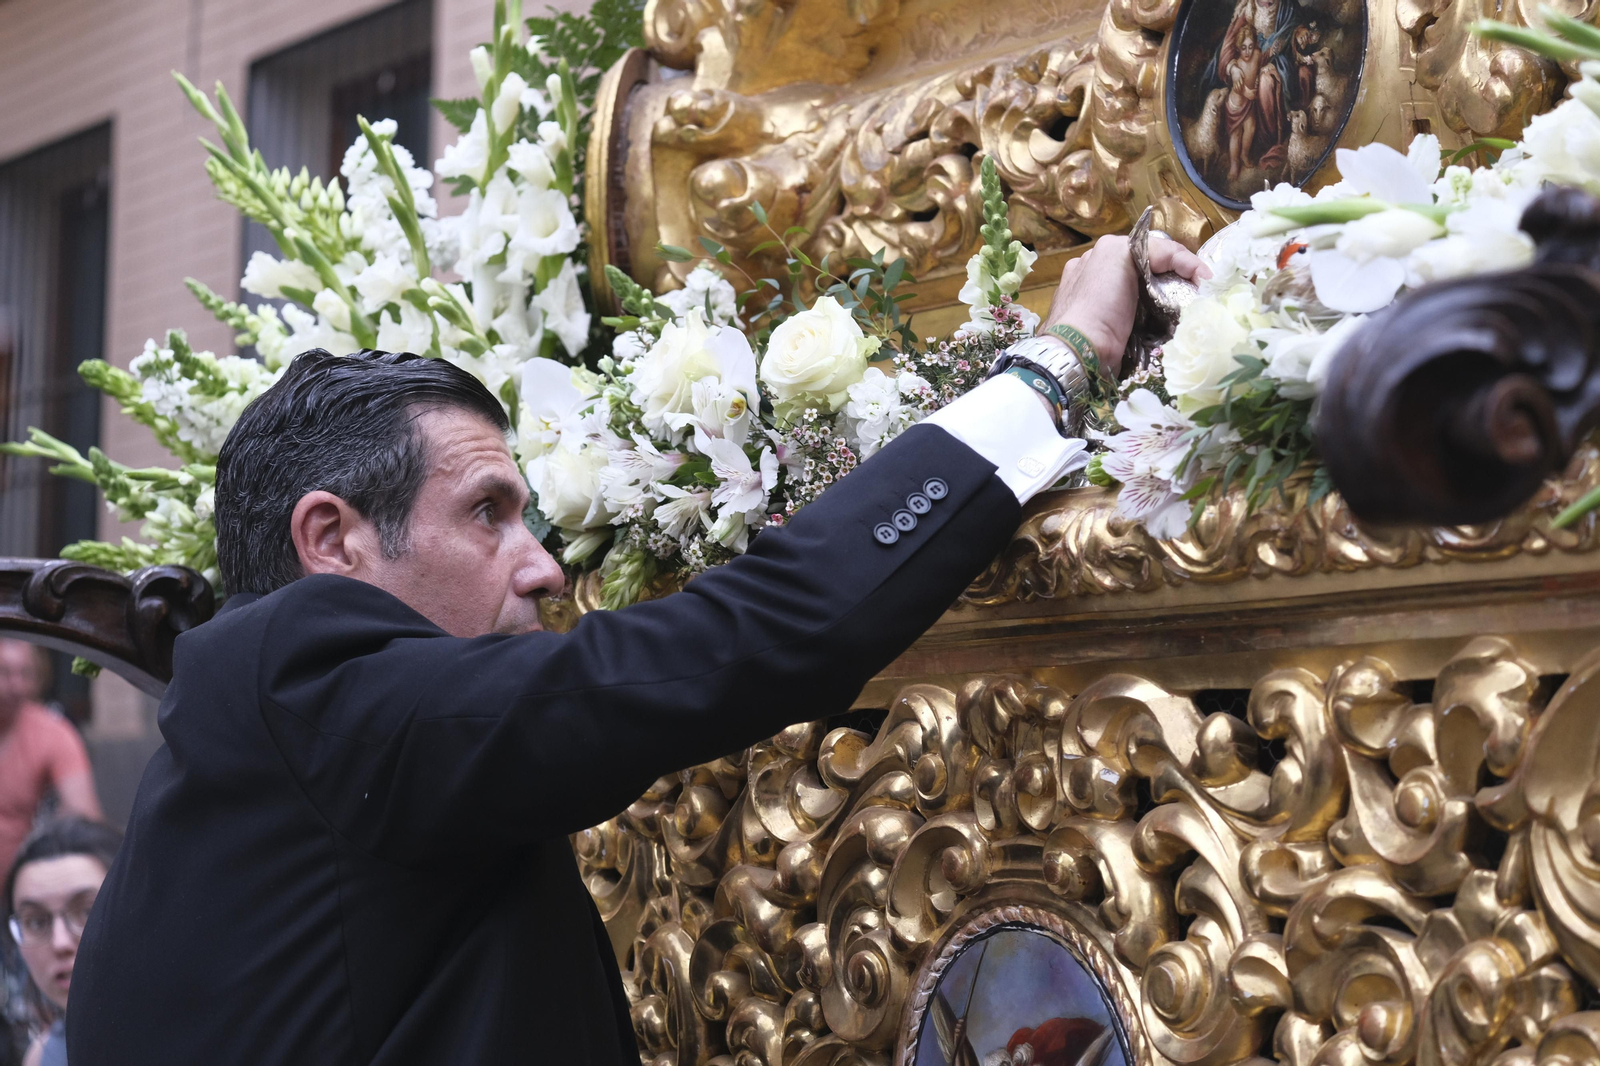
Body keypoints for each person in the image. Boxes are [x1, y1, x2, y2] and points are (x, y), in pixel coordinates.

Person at [68, 235, 1206, 1065]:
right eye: (486, 512)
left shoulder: (231, 771)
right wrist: (1056, 367)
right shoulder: (307, 682)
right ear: (334, 540)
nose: (544, 566)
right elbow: (757, 632)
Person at [4, 819, 121, 1066]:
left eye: (88, 912)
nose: (60, 943)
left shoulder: (203, 1037)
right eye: (36, 922)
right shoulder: (45, 1056)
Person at [0, 643, 102, 887]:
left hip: (17, 892)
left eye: (25, 673)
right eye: (3, 672)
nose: (16, 685)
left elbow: (84, 815)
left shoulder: (53, 732)